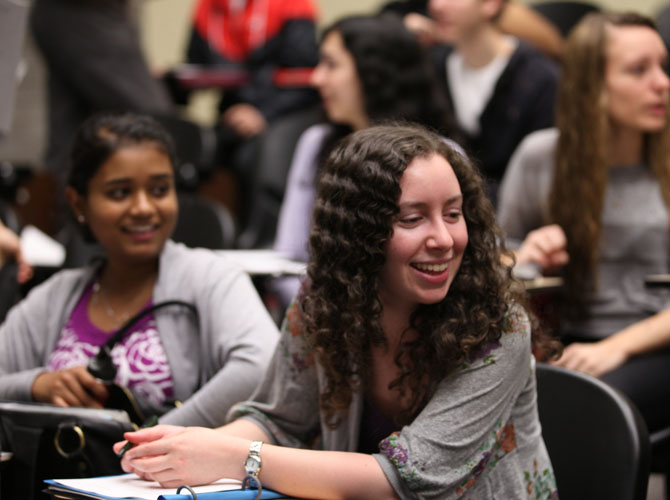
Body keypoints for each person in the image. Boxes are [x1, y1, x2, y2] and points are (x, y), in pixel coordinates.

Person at [115, 123, 559, 499]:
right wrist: (183, 447)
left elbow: (408, 479)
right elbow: (279, 419)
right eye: (412, 219)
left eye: (454, 213)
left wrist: (235, 456)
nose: (443, 239)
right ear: (360, 233)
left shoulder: (498, 324)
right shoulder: (325, 298)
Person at [0, 112, 278, 428]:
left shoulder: (211, 277)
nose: (144, 208)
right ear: (79, 204)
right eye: (120, 193)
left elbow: (261, 365)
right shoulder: (56, 297)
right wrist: (37, 385)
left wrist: (150, 442)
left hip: (171, 475)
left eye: (160, 190)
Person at [497, 11, 670, 434]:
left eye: (663, 66)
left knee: (583, 412)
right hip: (563, 337)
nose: (662, 83)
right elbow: (497, 262)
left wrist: (616, 349)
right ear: (591, 86)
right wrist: (530, 253)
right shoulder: (541, 156)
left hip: (653, 344)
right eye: (638, 70)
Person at [272, 14, 459, 307]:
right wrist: (323, 314)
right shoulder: (316, 143)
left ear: (374, 73)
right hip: (327, 318)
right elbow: (290, 256)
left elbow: (466, 261)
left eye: (332, 64)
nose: (316, 78)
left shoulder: (441, 157)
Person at [173, 0, 320, 224]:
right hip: (232, 114)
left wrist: (262, 113)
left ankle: (258, 235)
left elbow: (304, 76)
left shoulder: (292, 5)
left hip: (283, 111)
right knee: (192, 148)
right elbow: (196, 64)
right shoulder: (207, 8)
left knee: (251, 156)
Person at [427, 0, 559, 203]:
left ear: (491, 4)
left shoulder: (541, 80)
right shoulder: (431, 67)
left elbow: (539, 180)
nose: (437, 6)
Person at [29, 0, 173, 179]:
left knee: (72, 138)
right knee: (153, 128)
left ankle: (68, 203)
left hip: (75, 13)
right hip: (86, 12)